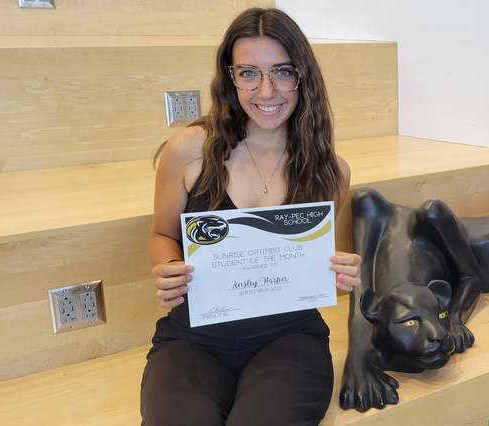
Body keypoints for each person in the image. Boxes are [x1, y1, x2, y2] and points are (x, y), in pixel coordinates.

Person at [140, 8, 361, 426]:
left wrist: (340, 276)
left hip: (289, 339)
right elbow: (161, 235)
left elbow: (311, 265)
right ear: (230, 77)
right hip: (194, 337)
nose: (266, 91)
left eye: (282, 72)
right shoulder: (190, 150)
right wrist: (169, 268)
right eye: (248, 73)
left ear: (303, 77)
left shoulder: (330, 171)